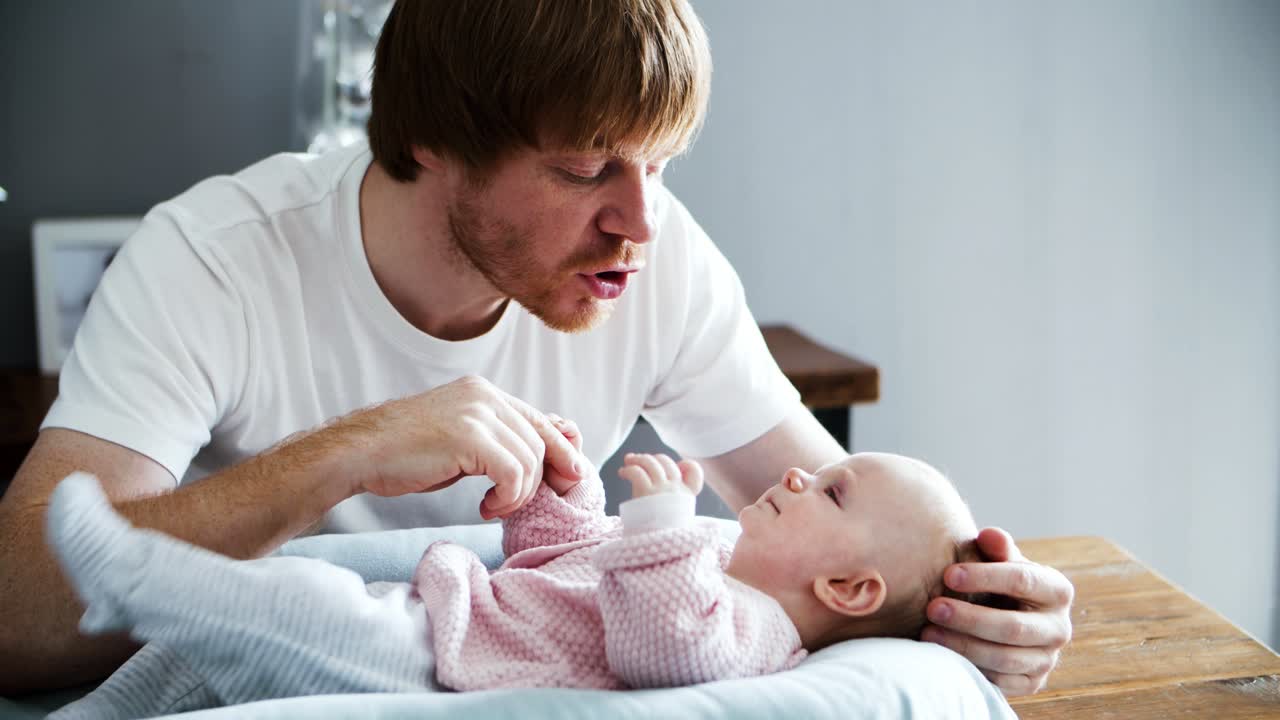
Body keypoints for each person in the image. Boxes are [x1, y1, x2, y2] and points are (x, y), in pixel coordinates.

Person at [0, 0, 1072, 695]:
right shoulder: (213, 260)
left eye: (660, 164)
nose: (640, 223)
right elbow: (19, 621)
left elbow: (849, 546)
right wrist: (347, 453)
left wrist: (978, 612)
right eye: (585, 169)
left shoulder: (661, 263)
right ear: (433, 141)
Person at [46, 432, 985, 719]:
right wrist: (560, 498)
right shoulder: (701, 558)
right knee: (193, 661)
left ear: (849, 592)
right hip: (443, 617)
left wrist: (663, 527)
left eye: (832, 491)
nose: (799, 476)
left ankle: (132, 570)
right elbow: (564, 565)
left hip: (434, 663)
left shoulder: (754, 627)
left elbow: (663, 653)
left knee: (287, 602)